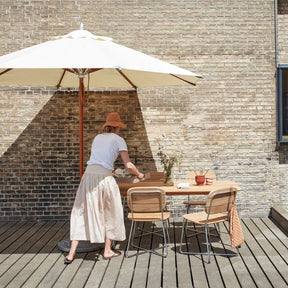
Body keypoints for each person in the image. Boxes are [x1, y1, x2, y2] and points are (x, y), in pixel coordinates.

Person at [64, 112, 144, 264]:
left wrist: (110, 170)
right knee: (111, 211)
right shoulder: (119, 139)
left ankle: (71, 253)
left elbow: (98, 160)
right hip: (104, 180)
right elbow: (128, 165)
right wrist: (139, 175)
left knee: (81, 211)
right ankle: (107, 250)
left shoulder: (97, 137)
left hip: (88, 177)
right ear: (117, 127)